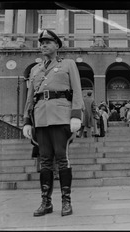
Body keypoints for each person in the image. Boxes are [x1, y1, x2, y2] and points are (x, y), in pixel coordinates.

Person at [22, 29, 84, 217]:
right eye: (41, 43)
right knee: (45, 160)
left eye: (48, 42)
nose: (43, 45)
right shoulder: (35, 69)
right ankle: (46, 202)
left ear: (57, 45)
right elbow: (30, 98)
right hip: (40, 119)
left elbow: (77, 90)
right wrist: (26, 121)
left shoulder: (68, 64)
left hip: (60, 117)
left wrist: (76, 115)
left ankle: (66, 201)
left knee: (62, 158)